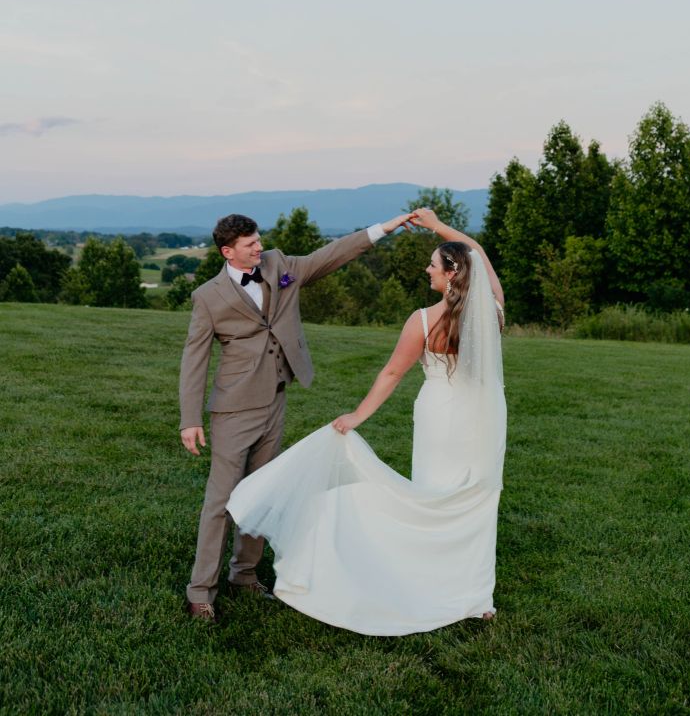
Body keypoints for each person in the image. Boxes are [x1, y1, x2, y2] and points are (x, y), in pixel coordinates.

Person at [226, 208, 507, 635]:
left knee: (431, 496)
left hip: (441, 417)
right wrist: (437, 227)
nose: (427, 269)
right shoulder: (492, 314)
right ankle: (476, 598)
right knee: (477, 501)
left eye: (433, 264)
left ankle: (430, 585)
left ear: (451, 274)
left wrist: (358, 415)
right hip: (484, 420)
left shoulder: (424, 320)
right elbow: (478, 252)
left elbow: (392, 373)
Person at [180, 210, 411, 621]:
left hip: (276, 399)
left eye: (258, 239)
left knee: (263, 491)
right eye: (250, 244)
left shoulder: (279, 265)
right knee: (221, 501)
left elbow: (329, 256)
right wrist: (190, 418)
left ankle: (244, 576)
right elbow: (194, 359)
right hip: (234, 408)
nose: (260, 247)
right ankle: (200, 592)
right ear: (228, 252)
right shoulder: (208, 296)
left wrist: (383, 229)